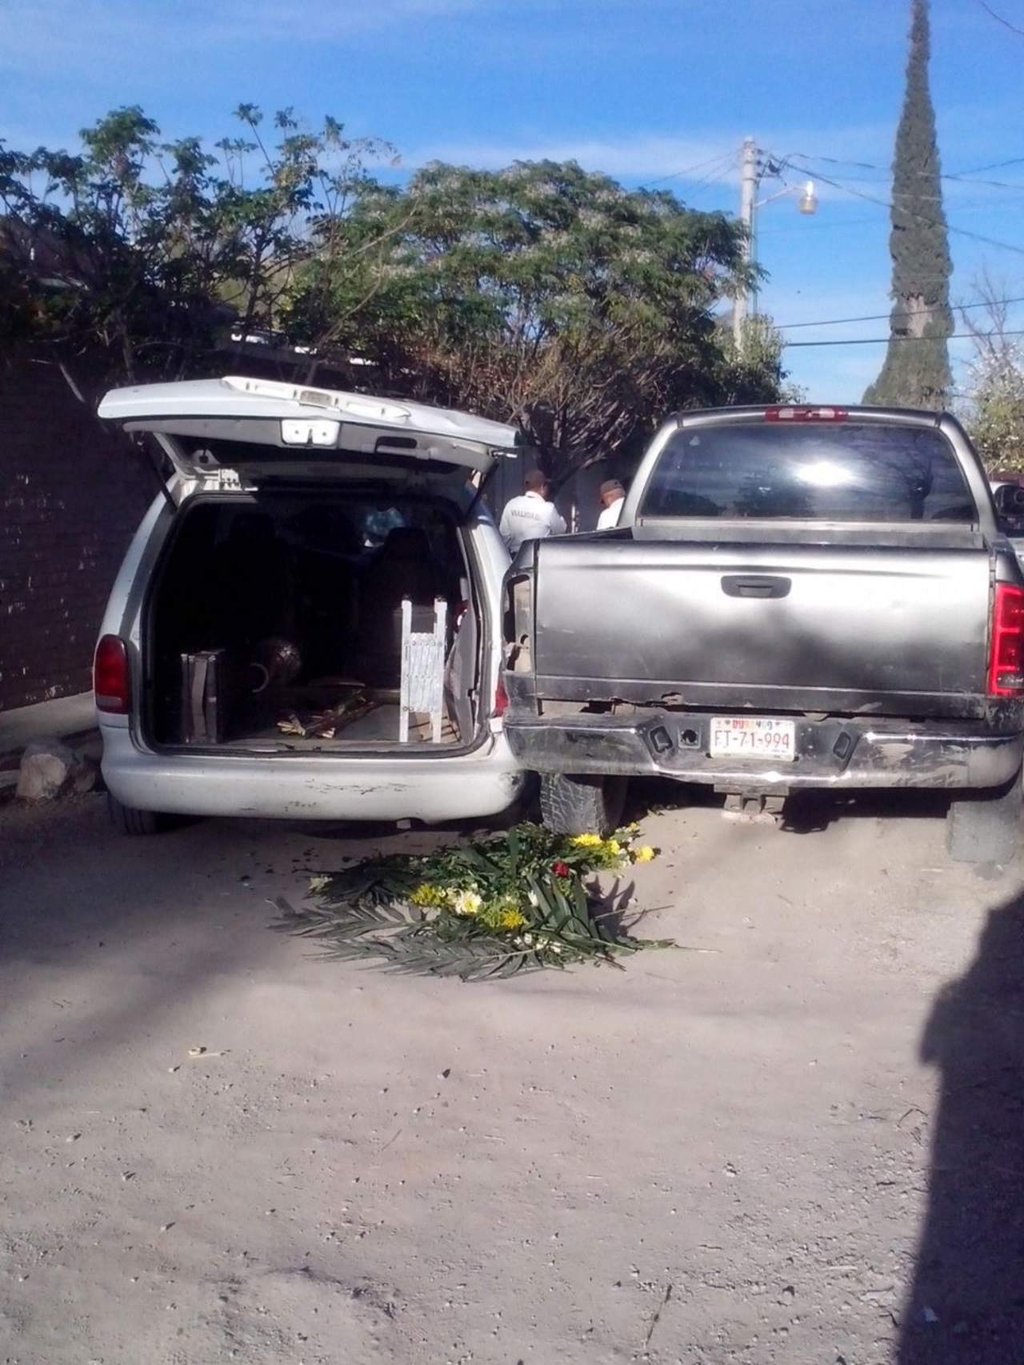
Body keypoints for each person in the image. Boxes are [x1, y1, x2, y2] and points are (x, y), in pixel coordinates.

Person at [499, 469, 567, 553]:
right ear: (543, 487)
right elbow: (561, 530)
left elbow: (504, 536)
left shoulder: (511, 504)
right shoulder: (548, 509)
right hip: (539, 561)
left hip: (514, 559)